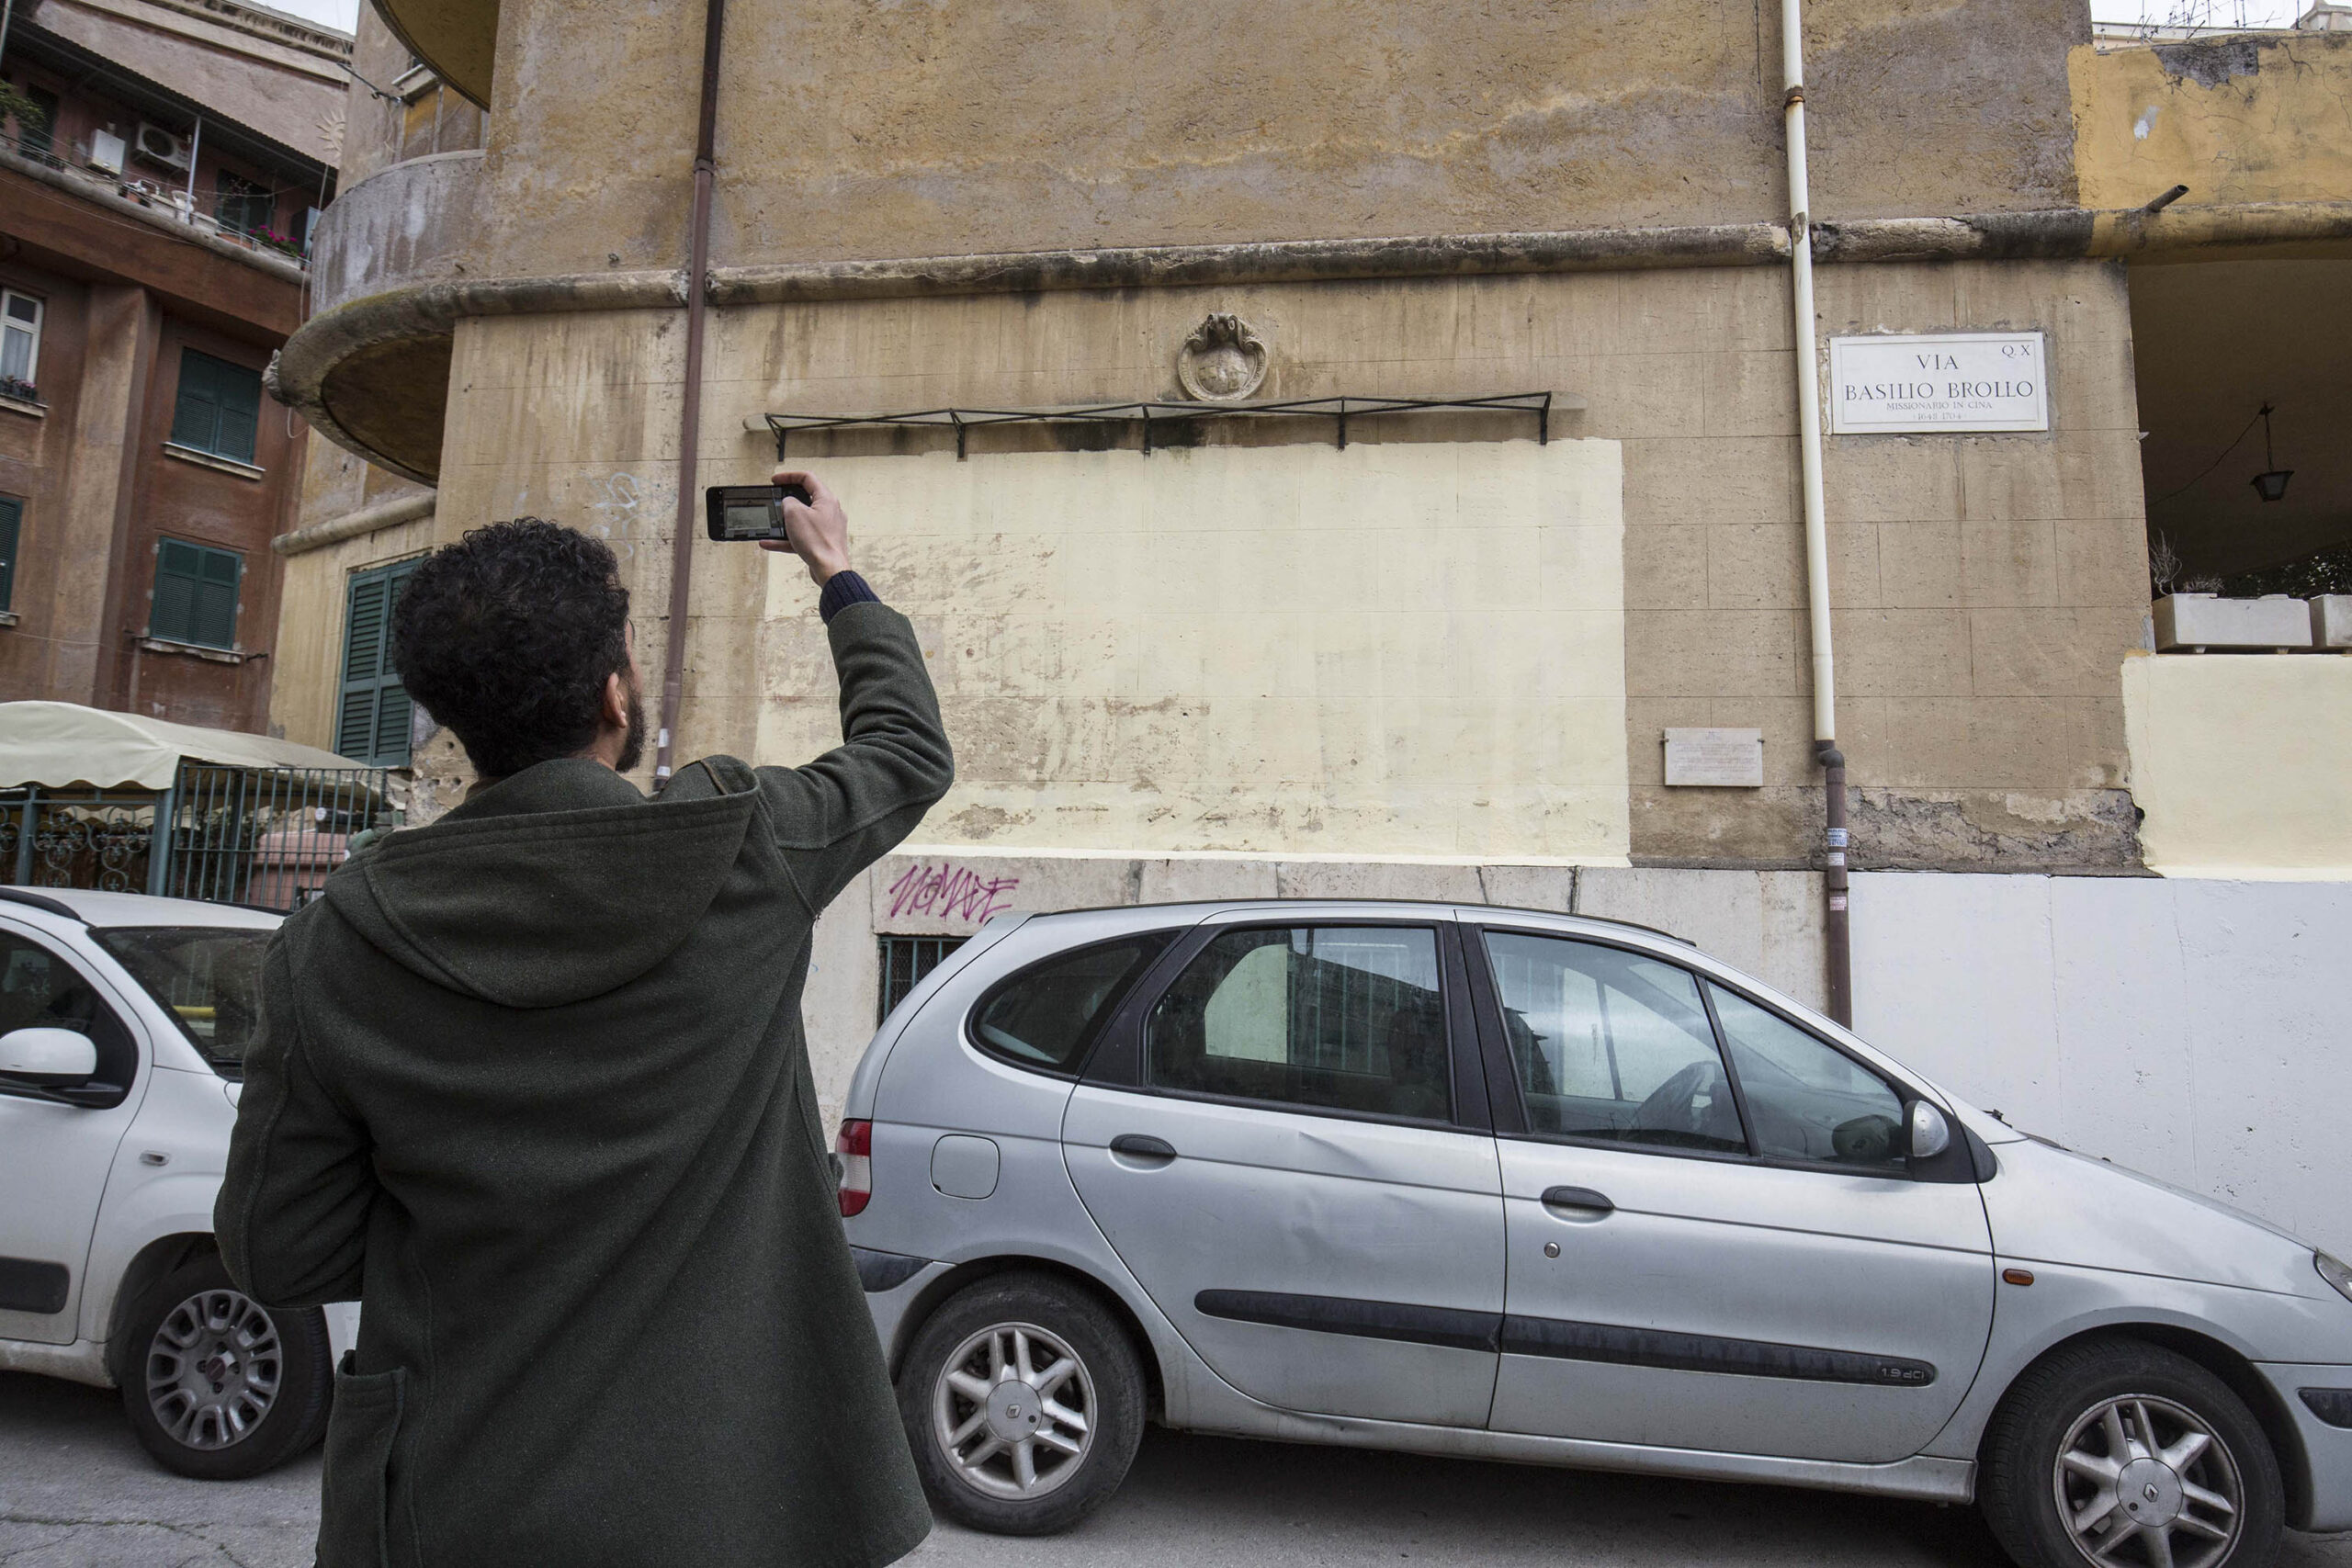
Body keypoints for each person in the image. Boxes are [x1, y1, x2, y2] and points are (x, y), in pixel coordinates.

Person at [217, 471, 951, 1568]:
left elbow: (279, 1250)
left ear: (456, 721)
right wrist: (835, 570)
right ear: (616, 696)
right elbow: (904, 753)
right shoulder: (742, 850)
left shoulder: (339, 943)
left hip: (454, 1504)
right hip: (731, 1508)